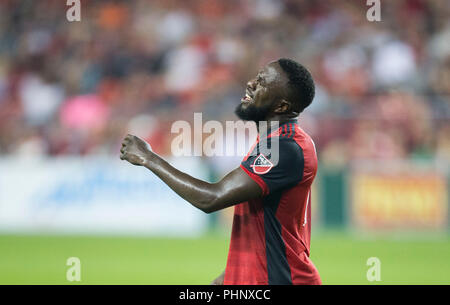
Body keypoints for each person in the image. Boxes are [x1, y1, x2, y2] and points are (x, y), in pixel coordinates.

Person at [120, 58, 321, 285]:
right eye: (256, 76)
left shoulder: (285, 148)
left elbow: (212, 198)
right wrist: (232, 276)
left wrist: (149, 158)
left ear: (282, 107)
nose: (251, 83)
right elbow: (271, 223)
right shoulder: (281, 141)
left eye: (262, 82)